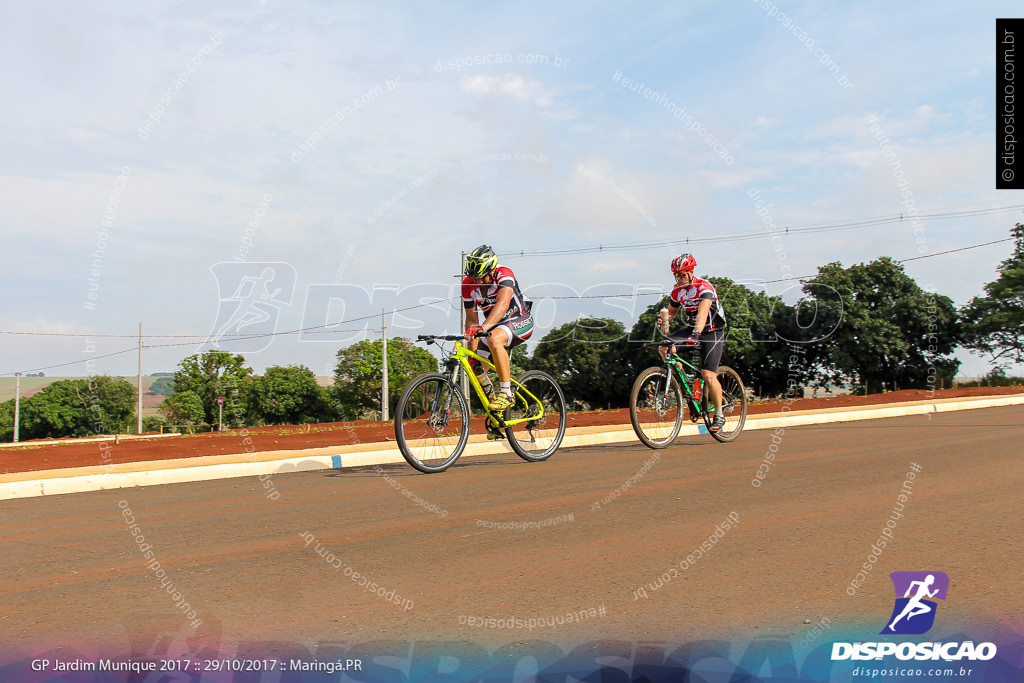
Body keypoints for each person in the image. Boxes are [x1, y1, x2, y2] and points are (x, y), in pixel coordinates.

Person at [656, 253, 728, 432]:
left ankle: (719, 414)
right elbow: (672, 313)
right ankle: (686, 382)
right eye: (676, 275)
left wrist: (696, 333)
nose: (679, 278)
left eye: (682, 274)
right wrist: (665, 320)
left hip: (712, 331)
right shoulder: (677, 292)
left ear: (691, 272)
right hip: (692, 328)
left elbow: (703, 312)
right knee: (665, 348)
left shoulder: (704, 287)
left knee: (708, 374)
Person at [462, 245, 534, 414]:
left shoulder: (504, 274)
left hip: (520, 320)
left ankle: (506, 393)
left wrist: (483, 327)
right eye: (474, 278)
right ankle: (498, 418)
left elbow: (502, 304)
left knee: (494, 338)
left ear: (492, 270)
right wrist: (473, 357)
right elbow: (472, 321)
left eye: (481, 277)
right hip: (493, 327)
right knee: (476, 373)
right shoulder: (468, 285)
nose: (478, 282)